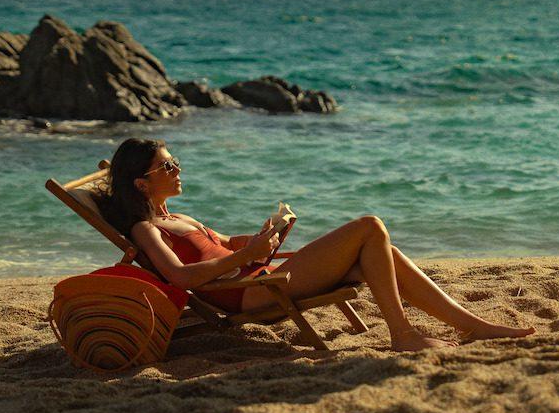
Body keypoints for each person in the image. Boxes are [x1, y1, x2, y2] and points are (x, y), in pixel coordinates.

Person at [100, 137, 534, 352]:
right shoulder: (146, 230)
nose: (178, 169)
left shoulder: (177, 216)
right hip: (249, 292)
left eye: (175, 161)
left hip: (258, 274)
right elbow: (179, 276)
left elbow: (218, 245)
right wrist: (247, 256)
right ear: (142, 183)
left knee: (382, 252)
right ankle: (402, 333)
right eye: (167, 165)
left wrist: (259, 237)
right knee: (369, 227)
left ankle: (469, 324)